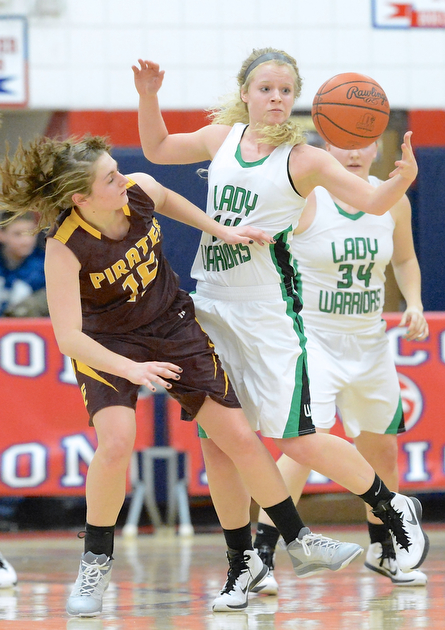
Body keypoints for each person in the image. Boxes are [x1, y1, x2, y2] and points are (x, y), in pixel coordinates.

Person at [0, 135, 365, 618]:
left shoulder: (139, 190)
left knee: (236, 433)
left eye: (116, 168)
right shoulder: (65, 249)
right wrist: (132, 369)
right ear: (80, 198)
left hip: (170, 325)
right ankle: (96, 560)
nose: (121, 177)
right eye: (109, 176)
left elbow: (171, 200)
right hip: (106, 344)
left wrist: (221, 230)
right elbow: (68, 337)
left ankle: (299, 540)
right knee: (116, 441)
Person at [133, 48, 429, 612]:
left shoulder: (306, 159)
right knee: (217, 444)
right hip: (211, 305)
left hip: (268, 311)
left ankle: (392, 507)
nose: (275, 99)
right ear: (245, 91)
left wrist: (403, 181)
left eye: (286, 91)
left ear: (296, 100)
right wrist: (149, 97)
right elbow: (156, 150)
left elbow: (371, 200)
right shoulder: (222, 137)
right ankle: (243, 564)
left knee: (296, 437)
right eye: (266, 88)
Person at [252, 140, 429, 595]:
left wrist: (414, 303)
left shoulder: (392, 199)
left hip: (369, 341)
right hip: (315, 340)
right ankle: (262, 554)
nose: (352, 152)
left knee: (381, 449)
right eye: (342, 142)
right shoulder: (310, 196)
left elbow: (406, 259)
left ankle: (385, 550)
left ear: (377, 145)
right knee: (301, 450)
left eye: (362, 142)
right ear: (325, 144)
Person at [0, 211, 48, 317]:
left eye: (31, 233)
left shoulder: (47, 265)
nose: (26, 240)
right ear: (2, 234)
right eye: (18, 234)